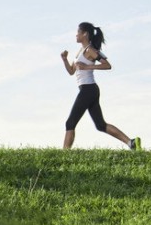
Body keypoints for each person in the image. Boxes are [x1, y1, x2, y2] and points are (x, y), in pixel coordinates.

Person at [60, 22, 141, 150]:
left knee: (70, 122)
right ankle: (131, 143)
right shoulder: (80, 51)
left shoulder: (90, 50)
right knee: (100, 125)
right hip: (88, 90)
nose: (76, 35)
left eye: (78, 32)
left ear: (85, 34)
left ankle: (63, 155)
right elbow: (71, 71)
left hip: (88, 89)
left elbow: (107, 65)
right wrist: (64, 59)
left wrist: (88, 66)